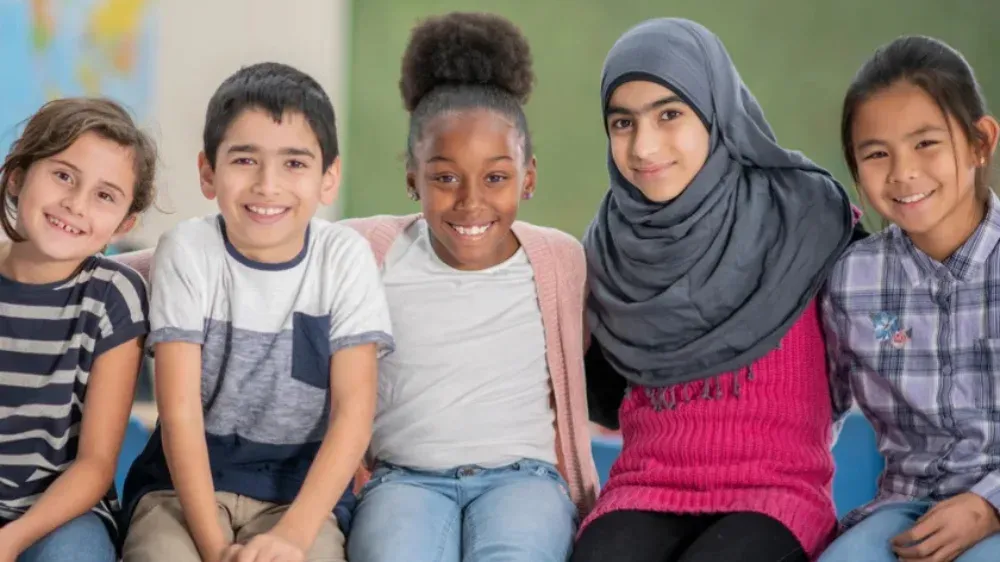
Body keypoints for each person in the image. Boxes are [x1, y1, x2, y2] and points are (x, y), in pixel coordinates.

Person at [573, 18, 856, 562]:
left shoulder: (806, 218)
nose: (644, 145)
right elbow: (606, 402)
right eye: (623, 122)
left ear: (715, 109)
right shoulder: (609, 248)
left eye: (670, 114)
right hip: (647, 487)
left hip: (774, 495)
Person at [343, 12, 598, 562]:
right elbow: (239, 247)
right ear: (412, 178)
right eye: (444, 177)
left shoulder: (560, 260)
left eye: (496, 177)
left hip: (524, 481)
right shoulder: (368, 251)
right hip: (403, 481)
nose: (470, 201)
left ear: (528, 178)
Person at [119, 62, 394, 562]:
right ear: (209, 172)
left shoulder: (345, 258)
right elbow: (178, 414)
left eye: (294, 163)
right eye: (245, 160)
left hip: (299, 498)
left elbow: (354, 414)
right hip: (182, 492)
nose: (268, 185)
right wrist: (215, 547)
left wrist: (292, 536)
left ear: (328, 177)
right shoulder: (187, 250)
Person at [819, 35, 1000, 562]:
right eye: (876, 154)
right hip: (905, 507)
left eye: (927, 143)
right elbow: (816, 415)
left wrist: (988, 504)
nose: (902, 172)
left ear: (979, 142)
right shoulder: (853, 280)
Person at [0, 98, 156, 562]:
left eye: (104, 195)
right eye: (63, 175)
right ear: (17, 176)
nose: (75, 203)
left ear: (124, 223)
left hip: (64, 511)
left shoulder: (115, 296)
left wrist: (10, 541)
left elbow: (94, 465)